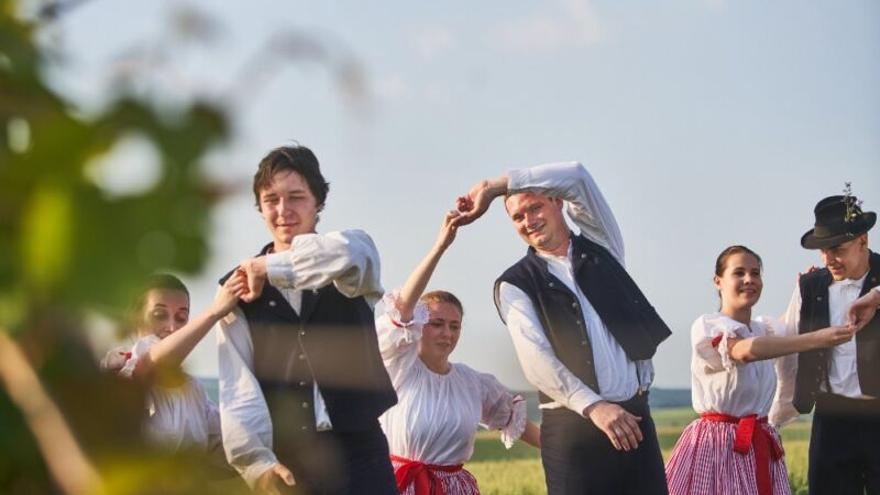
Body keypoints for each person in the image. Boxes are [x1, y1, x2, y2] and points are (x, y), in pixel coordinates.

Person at [457, 161, 671, 494]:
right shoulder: (513, 284)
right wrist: (596, 407)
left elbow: (578, 176)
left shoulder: (604, 246)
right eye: (517, 216)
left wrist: (496, 186)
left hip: (635, 418)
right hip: (573, 430)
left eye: (535, 206)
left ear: (558, 201)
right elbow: (536, 361)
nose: (529, 221)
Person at [217, 145, 398, 494]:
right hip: (289, 462)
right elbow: (237, 387)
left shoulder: (352, 257)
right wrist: (256, 464)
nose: (283, 210)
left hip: (362, 454)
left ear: (318, 202)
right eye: (271, 199)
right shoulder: (235, 289)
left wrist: (265, 267)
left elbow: (344, 254)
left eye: (296, 197)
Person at [664, 246, 855, 495]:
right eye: (739, 273)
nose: (749, 280)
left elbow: (786, 326)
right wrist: (817, 339)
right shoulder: (708, 326)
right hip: (717, 446)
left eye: (755, 273)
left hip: (759, 442)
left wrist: (803, 292)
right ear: (718, 281)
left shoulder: (763, 328)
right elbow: (745, 351)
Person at [377, 210, 541, 494]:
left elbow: (513, 420)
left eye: (455, 326)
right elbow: (403, 307)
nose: (447, 333)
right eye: (437, 324)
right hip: (398, 486)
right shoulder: (398, 366)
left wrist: (565, 451)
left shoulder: (473, 383)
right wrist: (440, 246)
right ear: (418, 326)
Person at [777, 193, 880, 495]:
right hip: (830, 419)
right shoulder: (808, 285)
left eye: (837, 248)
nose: (828, 259)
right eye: (823, 250)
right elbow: (787, 345)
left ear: (862, 239)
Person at [101, 272, 247, 454]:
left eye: (181, 318)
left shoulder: (194, 392)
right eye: (159, 315)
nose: (172, 327)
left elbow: (233, 442)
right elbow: (153, 363)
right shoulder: (121, 372)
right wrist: (215, 311)